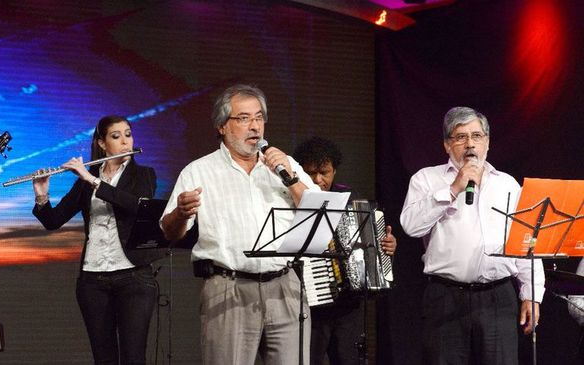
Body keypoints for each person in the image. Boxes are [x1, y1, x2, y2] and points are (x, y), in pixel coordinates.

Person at [160, 84, 320, 365]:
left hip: (286, 287)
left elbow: (320, 216)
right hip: (228, 287)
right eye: (244, 118)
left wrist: (292, 178)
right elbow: (170, 232)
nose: (255, 127)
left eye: (259, 118)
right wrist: (182, 213)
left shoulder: (285, 165)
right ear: (222, 126)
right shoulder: (199, 171)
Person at [400, 106, 545, 364]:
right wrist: (454, 187)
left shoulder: (507, 184)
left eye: (477, 136)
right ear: (447, 145)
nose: (470, 144)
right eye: (460, 136)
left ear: (487, 142)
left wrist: (532, 294)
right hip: (445, 298)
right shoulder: (426, 179)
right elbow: (411, 226)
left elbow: (526, 243)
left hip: (498, 297)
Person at [32, 115, 159, 365]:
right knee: (103, 359)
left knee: (134, 358)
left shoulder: (144, 174)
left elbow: (135, 205)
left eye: (128, 134)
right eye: (116, 136)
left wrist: (91, 180)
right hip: (93, 280)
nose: (125, 141)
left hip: (134, 277)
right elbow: (53, 220)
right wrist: (42, 196)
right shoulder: (85, 180)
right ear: (102, 144)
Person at [293, 136, 397, 365]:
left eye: (324, 173)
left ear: (334, 171)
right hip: (310, 305)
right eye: (311, 174)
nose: (319, 180)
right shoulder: (292, 202)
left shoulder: (349, 198)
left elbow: (371, 244)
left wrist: (386, 245)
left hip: (348, 304)